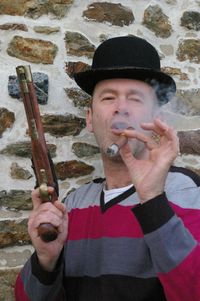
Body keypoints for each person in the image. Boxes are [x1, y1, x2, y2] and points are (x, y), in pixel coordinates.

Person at [15, 36, 200, 301]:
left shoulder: (186, 190)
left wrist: (153, 200)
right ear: (90, 119)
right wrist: (46, 259)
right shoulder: (74, 203)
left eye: (135, 99)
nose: (121, 108)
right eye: (109, 97)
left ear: (156, 119)